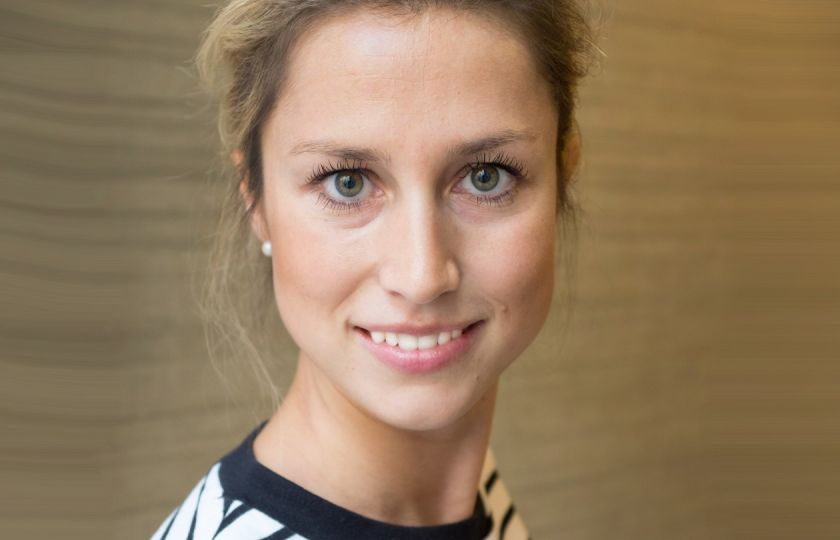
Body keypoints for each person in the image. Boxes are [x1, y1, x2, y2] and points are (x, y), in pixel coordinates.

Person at [152, 1, 597, 538]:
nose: (422, 276)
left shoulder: (470, 492)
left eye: (486, 176)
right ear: (257, 201)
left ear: (562, 176)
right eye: (348, 182)